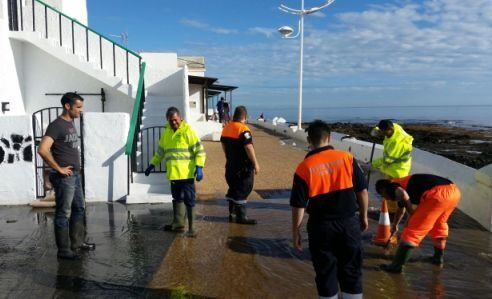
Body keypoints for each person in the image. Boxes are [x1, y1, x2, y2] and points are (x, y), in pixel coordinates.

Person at [290, 120, 369, 299]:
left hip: (321, 227)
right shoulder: (347, 158)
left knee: (325, 273)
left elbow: (298, 205)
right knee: (352, 270)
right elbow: (362, 191)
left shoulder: (304, 168)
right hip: (349, 223)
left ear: (309, 139)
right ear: (330, 137)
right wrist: (363, 216)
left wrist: (296, 231)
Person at [38, 92, 95, 260]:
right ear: (67, 106)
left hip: (75, 176)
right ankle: (63, 251)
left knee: (79, 208)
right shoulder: (56, 125)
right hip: (64, 177)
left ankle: (77, 243)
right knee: (63, 213)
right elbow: (42, 149)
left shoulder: (70, 123)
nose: (80, 110)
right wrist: (59, 169)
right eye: (78, 107)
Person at [376, 174, 461, 273]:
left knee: (412, 233)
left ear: (383, 190)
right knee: (439, 226)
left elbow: (403, 194)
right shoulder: (401, 186)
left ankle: (396, 267)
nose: (386, 199)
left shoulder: (392, 185)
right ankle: (438, 259)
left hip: (438, 194)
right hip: (454, 192)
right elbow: (401, 209)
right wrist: (395, 225)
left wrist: (411, 214)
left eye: (383, 196)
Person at [145, 107, 206, 237]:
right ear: (167, 120)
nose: (174, 123)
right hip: (173, 174)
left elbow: (199, 150)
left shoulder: (187, 130)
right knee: (177, 198)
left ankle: (192, 228)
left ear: (180, 118)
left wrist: (199, 167)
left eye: (175, 120)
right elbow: (160, 152)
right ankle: (178, 224)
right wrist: (152, 164)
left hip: (187, 174)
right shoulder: (166, 133)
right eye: (171, 120)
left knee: (189, 200)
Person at [221, 106, 260, 225]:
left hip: (230, 165)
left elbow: (223, 143)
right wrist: (256, 163)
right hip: (243, 167)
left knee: (233, 188)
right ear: (245, 117)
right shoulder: (243, 130)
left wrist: (228, 156)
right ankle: (241, 217)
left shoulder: (227, 127)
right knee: (243, 188)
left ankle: (232, 213)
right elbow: (248, 147)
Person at [371, 120, 413, 219]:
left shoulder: (397, 143)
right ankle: (389, 210)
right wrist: (375, 130)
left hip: (398, 170)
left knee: (395, 192)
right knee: (387, 191)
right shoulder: (394, 127)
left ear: (390, 129)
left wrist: (372, 164)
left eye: (384, 132)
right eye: (381, 132)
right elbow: (381, 126)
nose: (383, 134)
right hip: (391, 169)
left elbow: (387, 160)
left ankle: (395, 214)